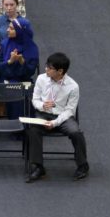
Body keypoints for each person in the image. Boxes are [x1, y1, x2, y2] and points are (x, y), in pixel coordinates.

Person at [25, 52, 88, 182]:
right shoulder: (41, 79)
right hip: (43, 114)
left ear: (60, 71)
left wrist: (54, 123)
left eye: (49, 67)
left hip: (63, 117)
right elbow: (35, 100)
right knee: (33, 130)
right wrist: (42, 105)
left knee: (76, 132)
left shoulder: (73, 86)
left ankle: (82, 165)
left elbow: (70, 110)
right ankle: (38, 167)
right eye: (46, 66)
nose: (46, 69)